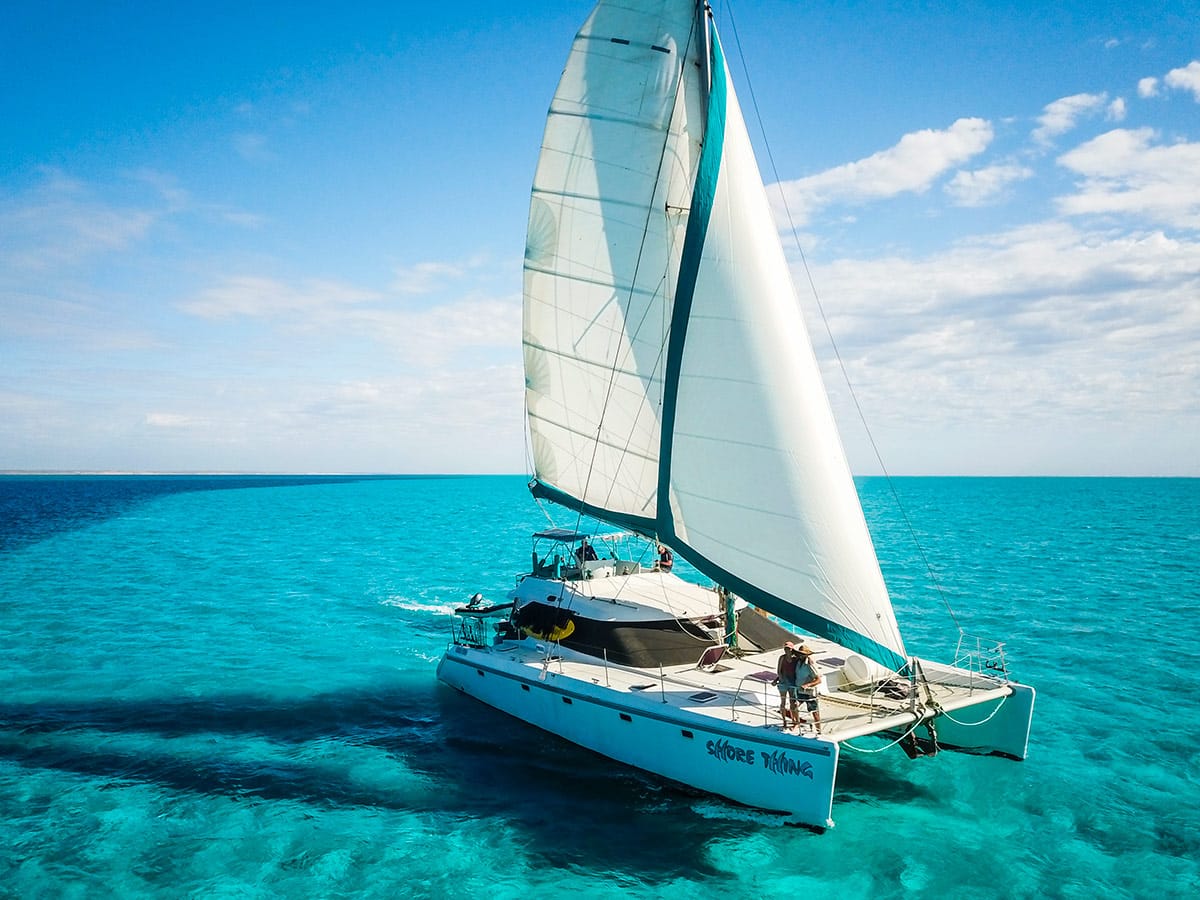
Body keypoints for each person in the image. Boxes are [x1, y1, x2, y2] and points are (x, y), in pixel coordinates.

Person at [793, 643, 823, 734]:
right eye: (799, 654)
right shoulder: (798, 662)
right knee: (794, 706)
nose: (800, 655)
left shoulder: (810, 664)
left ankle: (819, 731)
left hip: (809, 693)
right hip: (800, 691)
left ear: (806, 655)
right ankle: (796, 723)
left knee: (814, 712)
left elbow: (818, 680)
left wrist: (808, 685)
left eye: (802, 654)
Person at [775, 641, 799, 729]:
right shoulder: (782, 658)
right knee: (783, 702)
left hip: (792, 683)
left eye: (788, 648)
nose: (786, 650)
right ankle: (784, 721)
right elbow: (779, 671)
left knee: (793, 703)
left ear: (792, 649)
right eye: (785, 648)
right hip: (783, 682)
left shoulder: (795, 659)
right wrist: (780, 679)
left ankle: (795, 722)